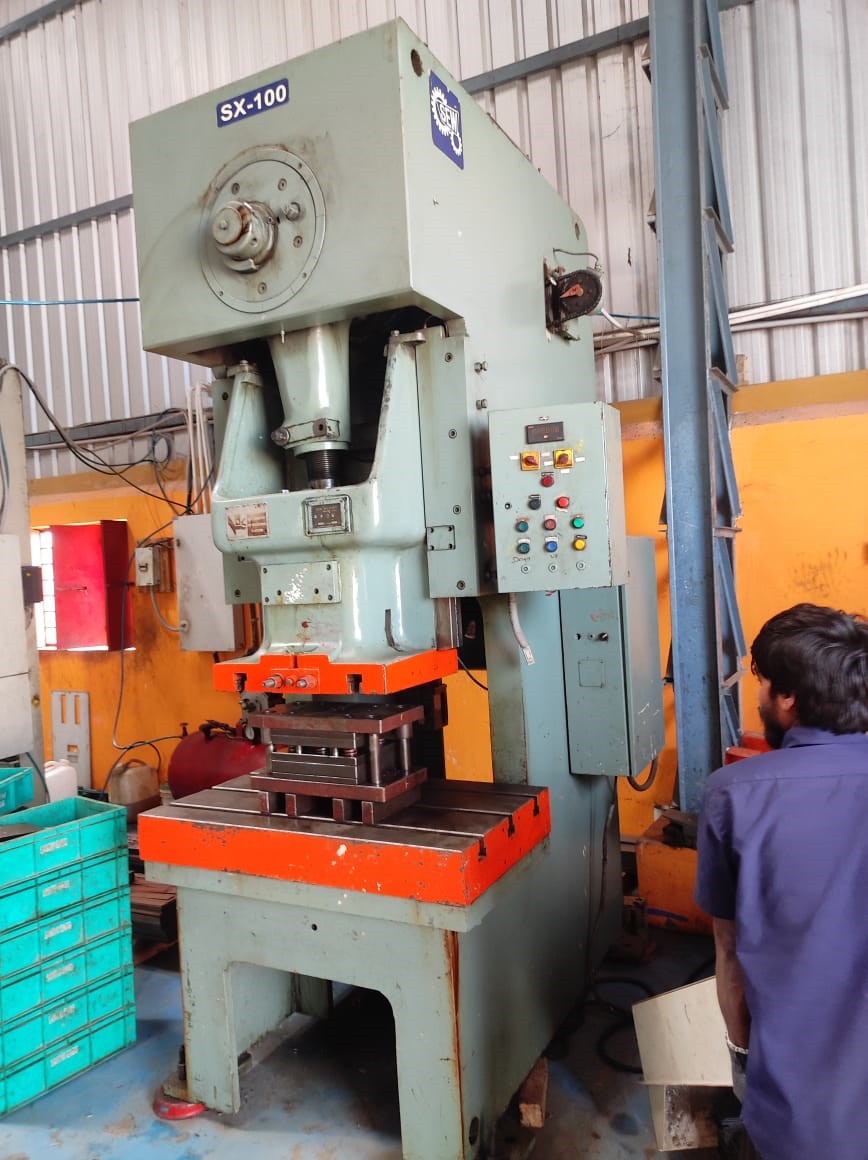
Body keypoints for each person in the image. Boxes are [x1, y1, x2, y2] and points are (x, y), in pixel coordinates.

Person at [695, 602, 868, 1160]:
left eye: (763, 682)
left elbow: (730, 955)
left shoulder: (734, 794)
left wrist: (744, 1061)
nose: (759, 695)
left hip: (804, 1127)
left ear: (788, 697)